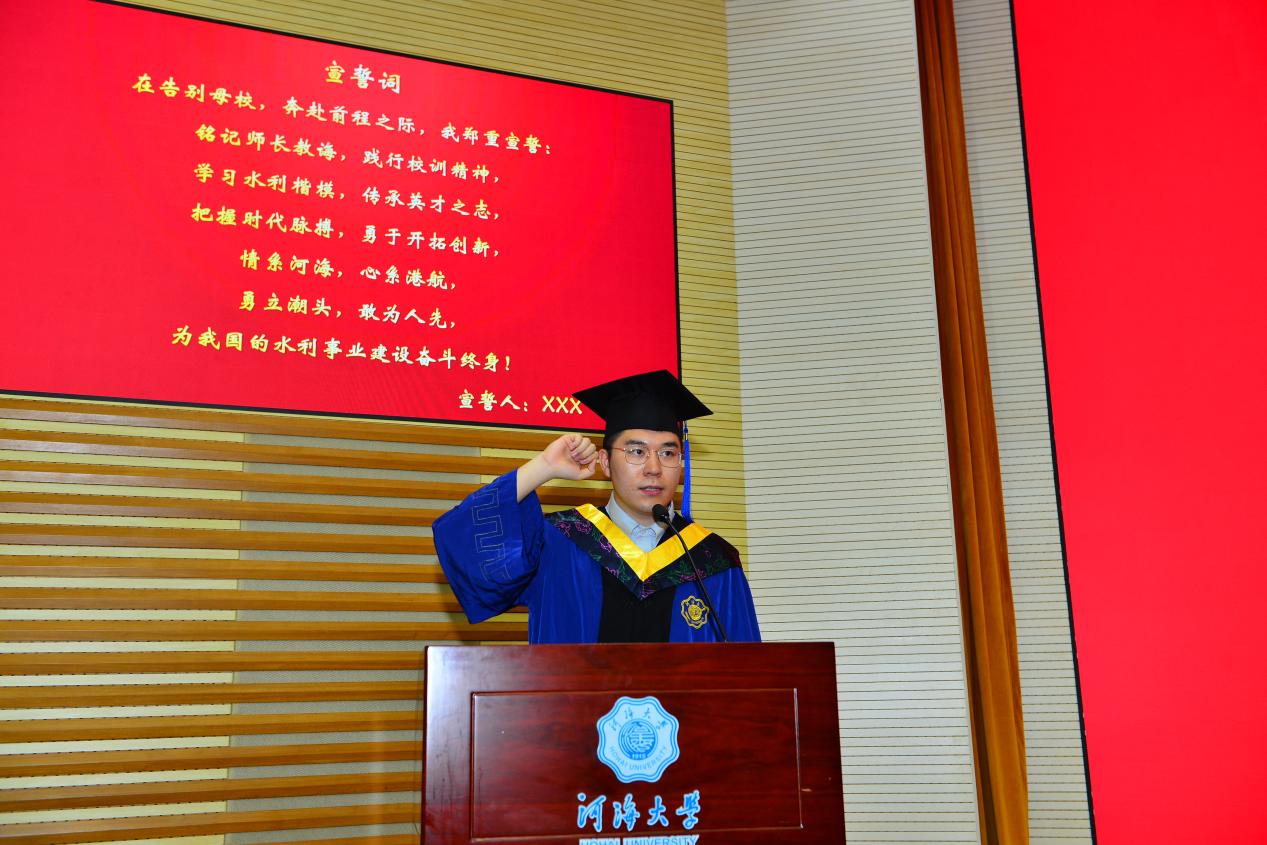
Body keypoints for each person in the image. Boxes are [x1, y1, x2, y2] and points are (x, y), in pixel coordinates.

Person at [433, 370, 761, 643]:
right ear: (605, 462)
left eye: (668, 453)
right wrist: (543, 468)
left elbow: (749, 676)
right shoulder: (556, 542)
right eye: (636, 452)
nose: (654, 468)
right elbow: (461, 538)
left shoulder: (713, 560)